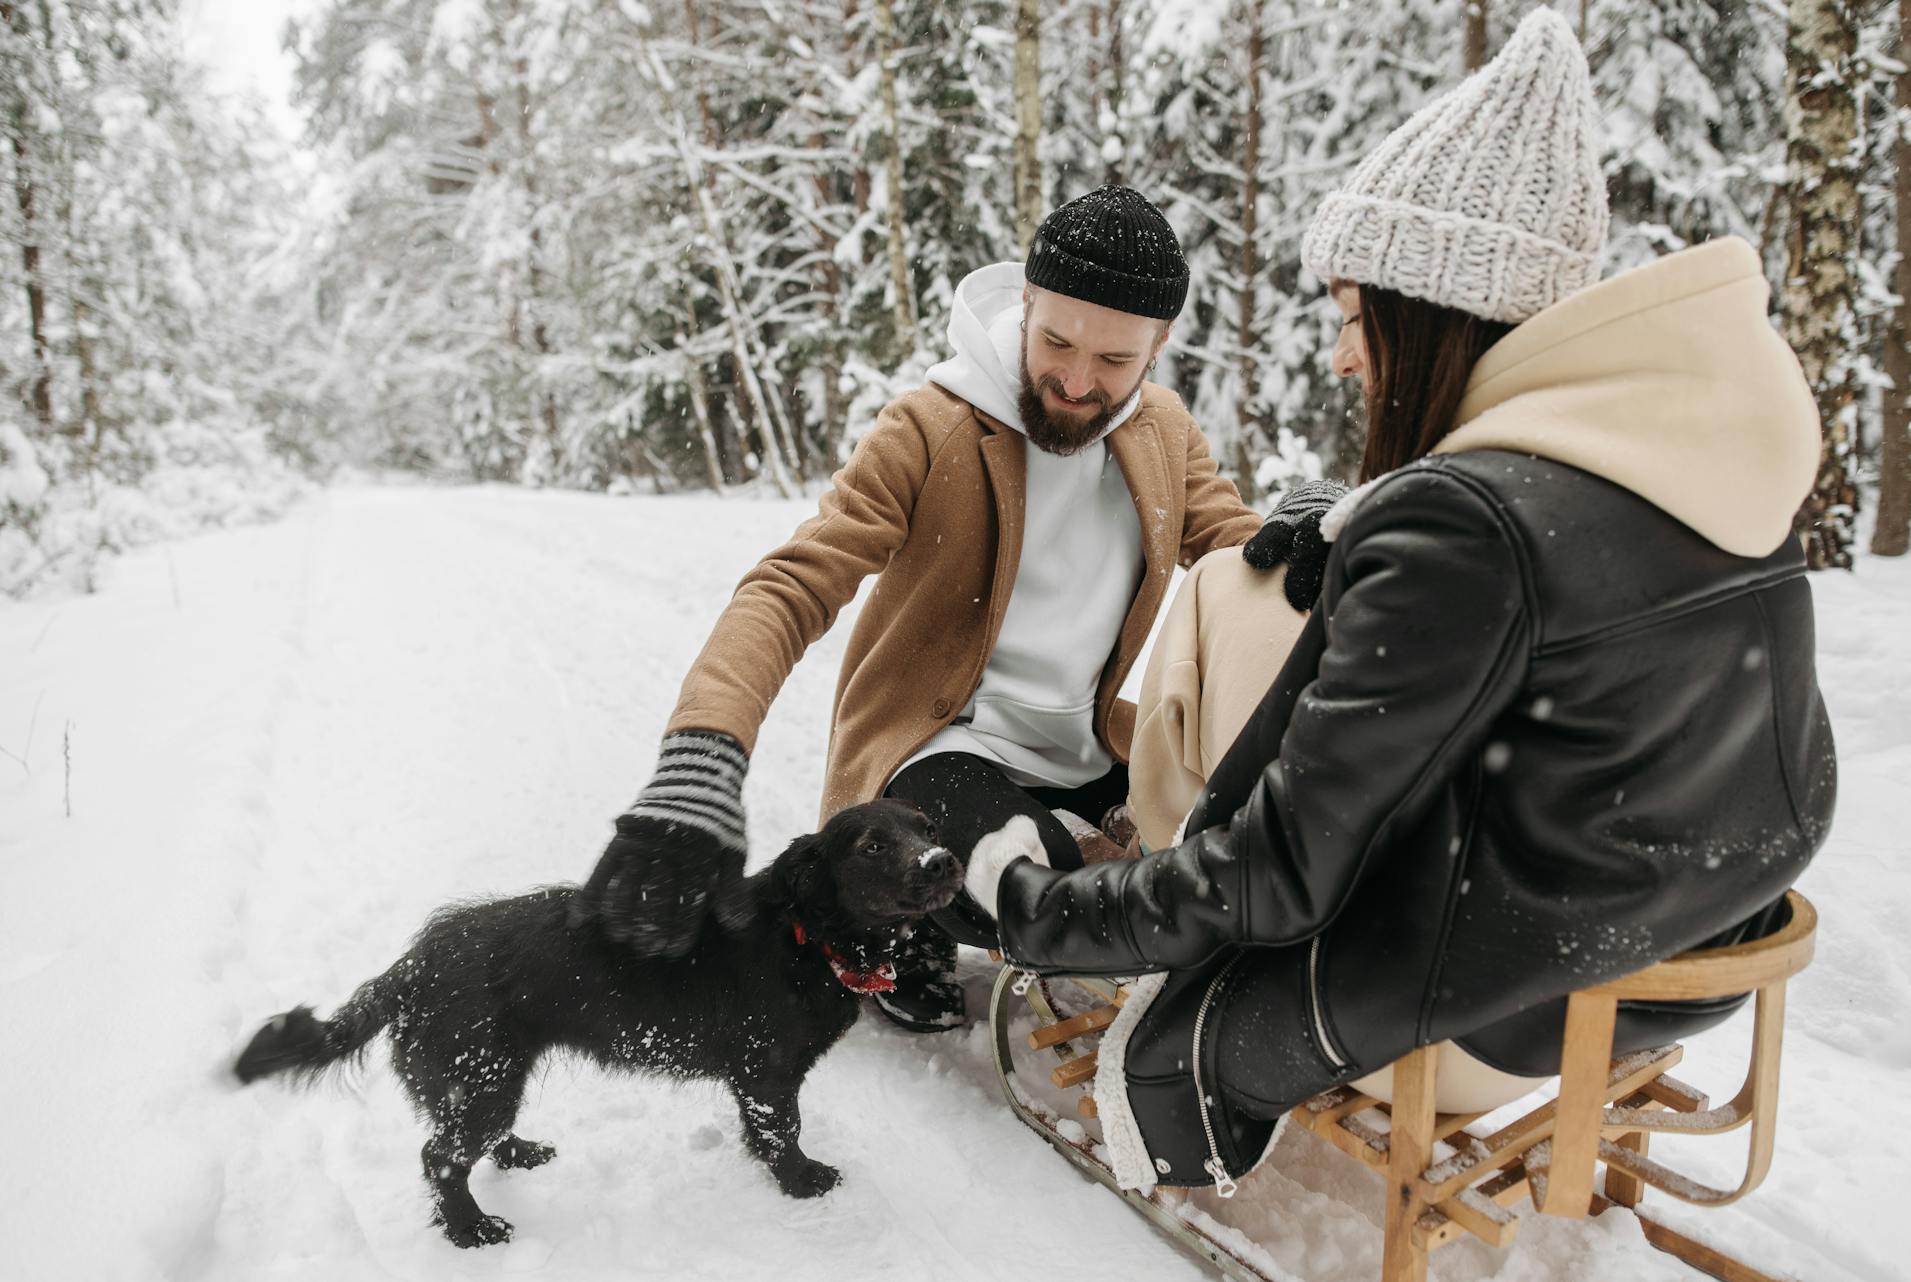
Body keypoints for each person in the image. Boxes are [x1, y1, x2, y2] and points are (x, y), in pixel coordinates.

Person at [965, 8, 1836, 1195]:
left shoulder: (1461, 522)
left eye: (1349, 319)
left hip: (1511, 1003)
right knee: (1251, 581)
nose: (1341, 359)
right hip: (1697, 954)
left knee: (1229, 611)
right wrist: (1363, 526)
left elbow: (1275, 881)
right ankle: (1151, 855)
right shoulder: (1683, 450)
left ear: (1423, 317)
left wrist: (1028, 905)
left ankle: (1132, 872)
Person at [581, 186, 1343, 1032]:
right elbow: (790, 586)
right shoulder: (929, 427)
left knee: (1225, 851)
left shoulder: (1163, 432)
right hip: (940, 747)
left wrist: (1313, 524)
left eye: (1115, 361)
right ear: (1025, 303)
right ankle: (907, 922)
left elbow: (1242, 556)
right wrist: (702, 756)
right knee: (1050, 890)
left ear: (1159, 346)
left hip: (1086, 746)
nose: (1076, 380)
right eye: (1055, 340)